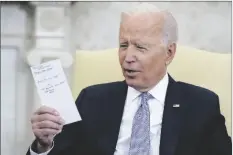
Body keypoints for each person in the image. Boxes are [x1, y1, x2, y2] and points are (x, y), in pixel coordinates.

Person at [27, 3, 231, 155]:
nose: (128, 57)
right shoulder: (92, 100)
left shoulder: (201, 105)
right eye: (123, 45)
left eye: (141, 47)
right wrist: (43, 146)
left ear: (169, 53)